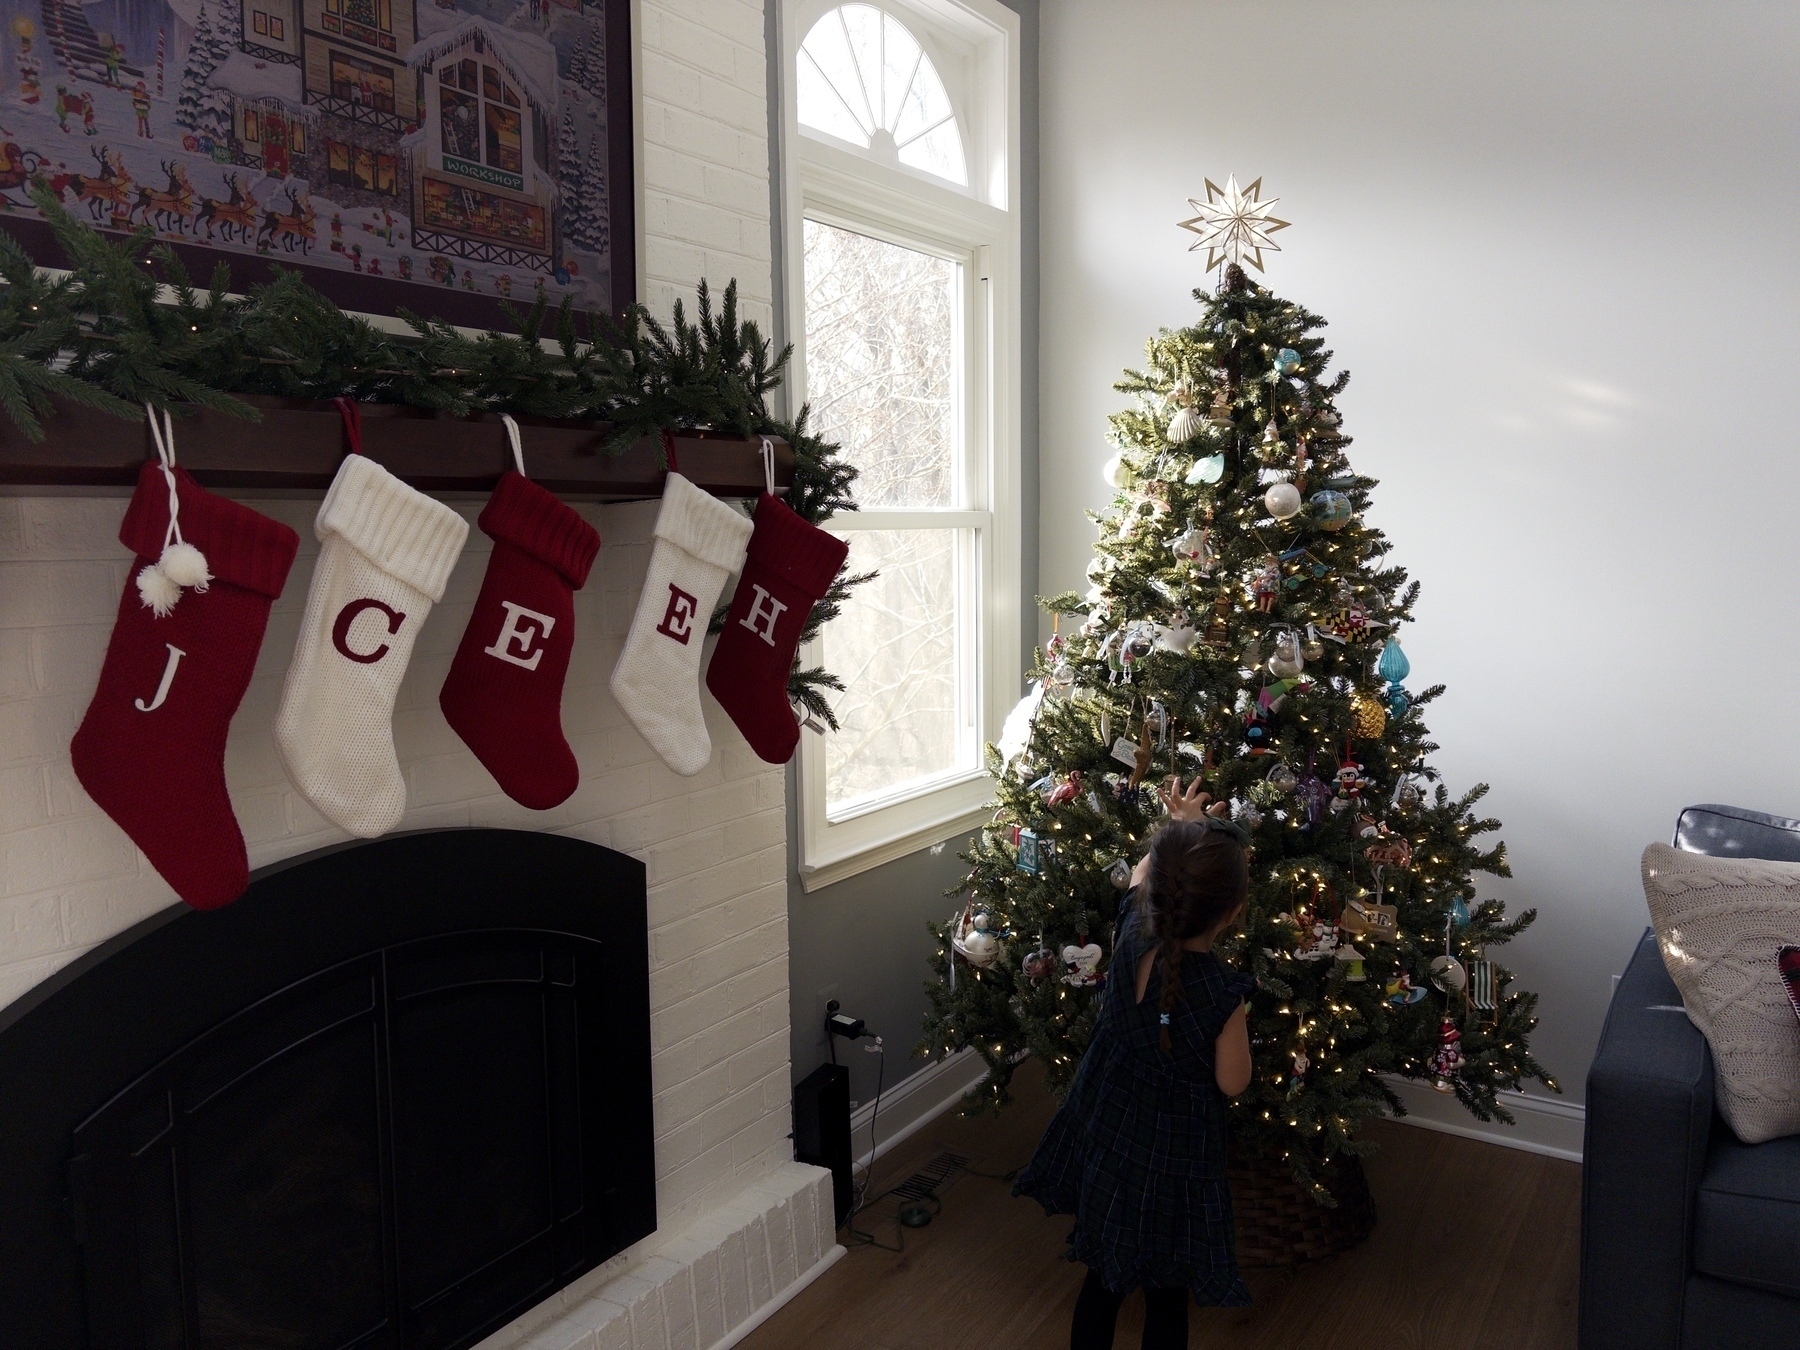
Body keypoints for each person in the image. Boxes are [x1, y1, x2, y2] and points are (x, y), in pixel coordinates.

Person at [1016, 777, 1256, 1350]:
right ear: (1232, 914)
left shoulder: (1129, 936)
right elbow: (1233, 1081)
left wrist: (1174, 830)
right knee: (1167, 1296)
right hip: (1175, 1161)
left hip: (1113, 1139)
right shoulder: (1225, 995)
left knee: (1101, 1283)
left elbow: (1140, 878)